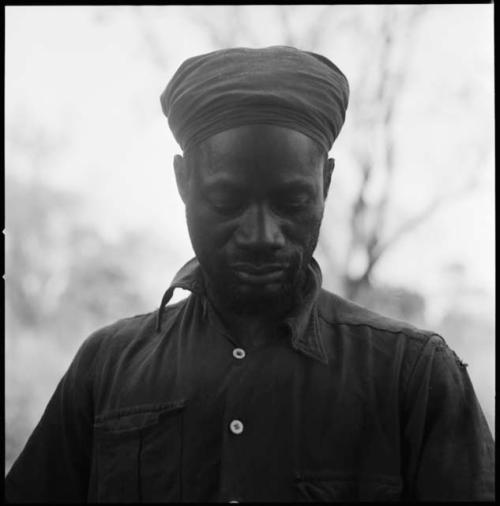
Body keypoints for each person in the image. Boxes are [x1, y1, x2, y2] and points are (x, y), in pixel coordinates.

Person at [5, 46, 494, 503]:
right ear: (182, 182)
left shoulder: (416, 376)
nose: (262, 234)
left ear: (325, 182)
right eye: (227, 200)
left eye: (292, 202)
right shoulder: (107, 366)